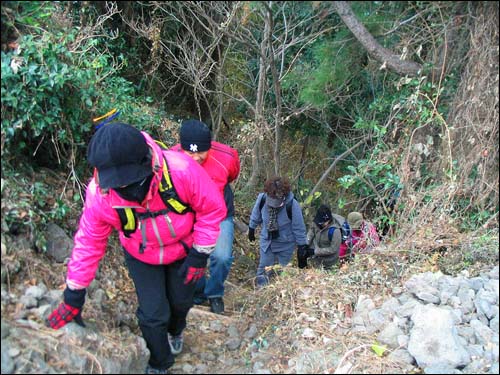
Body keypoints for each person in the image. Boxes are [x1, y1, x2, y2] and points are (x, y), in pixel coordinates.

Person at [46, 123, 226, 374]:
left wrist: (199, 254)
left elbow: (211, 209)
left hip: (183, 250)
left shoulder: (181, 170)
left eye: (131, 181)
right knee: (153, 314)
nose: (127, 190)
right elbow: (89, 241)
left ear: (147, 161)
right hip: (142, 254)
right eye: (119, 183)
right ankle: (159, 363)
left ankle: (176, 331)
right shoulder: (101, 194)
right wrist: (74, 292)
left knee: (180, 303)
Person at [170, 119, 240, 314]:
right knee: (190, 254)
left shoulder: (226, 156)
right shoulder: (171, 157)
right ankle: (198, 291)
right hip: (188, 214)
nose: (195, 157)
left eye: (201, 151)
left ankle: (214, 293)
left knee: (222, 257)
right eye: (190, 152)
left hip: (220, 213)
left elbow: (231, 175)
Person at [248, 176, 308, 288]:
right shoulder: (262, 199)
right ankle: (261, 292)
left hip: (285, 244)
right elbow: (256, 215)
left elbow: (299, 228)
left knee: (281, 272)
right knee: (264, 268)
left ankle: (278, 295)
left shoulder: (292, 205)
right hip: (267, 242)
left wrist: (302, 247)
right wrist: (251, 228)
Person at [299, 204, 352, 269]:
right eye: (318, 222)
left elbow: (333, 249)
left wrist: (315, 251)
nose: (319, 224)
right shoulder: (317, 222)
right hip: (317, 258)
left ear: (328, 220)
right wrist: (306, 244)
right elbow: (311, 231)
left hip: (330, 262)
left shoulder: (335, 231)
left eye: (322, 223)